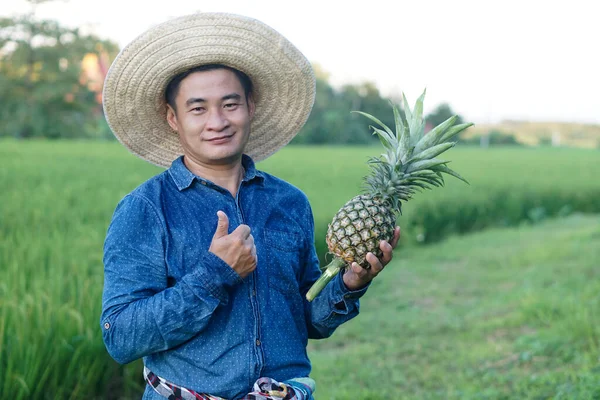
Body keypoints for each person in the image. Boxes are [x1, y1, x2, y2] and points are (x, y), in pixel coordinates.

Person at [100, 12, 400, 400]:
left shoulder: (289, 203)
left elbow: (308, 318)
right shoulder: (145, 209)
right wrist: (216, 273)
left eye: (230, 104)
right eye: (198, 108)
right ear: (173, 118)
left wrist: (347, 284)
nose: (217, 121)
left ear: (250, 107)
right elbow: (121, 337)